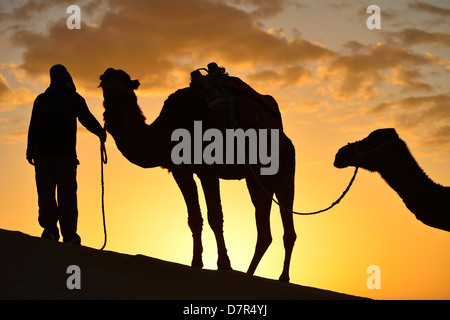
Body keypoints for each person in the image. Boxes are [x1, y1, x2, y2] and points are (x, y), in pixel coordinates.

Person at [26, 64, 106, 245]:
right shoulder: (73, 98)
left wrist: (30, 149)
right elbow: (86, 119)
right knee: (65, 197)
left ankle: (52, 232)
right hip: (61, 157)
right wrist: (100, 132)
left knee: (50, 195)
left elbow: (34, 127)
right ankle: (67, 235)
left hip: (46, 157)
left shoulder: (43, 100)